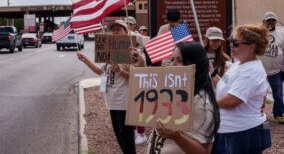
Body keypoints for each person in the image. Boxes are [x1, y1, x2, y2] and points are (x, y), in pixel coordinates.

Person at [147, 42, 220, 154]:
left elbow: (204, 151)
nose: (172, 65)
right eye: (172, 60)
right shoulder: (175, 92)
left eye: (180, 60)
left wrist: (177, 137)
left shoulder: (201, 104)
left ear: (196, 64)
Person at [77, 19, 136, 154]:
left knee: (127, 139)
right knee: (120, 137)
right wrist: (86, 60)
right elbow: (101, 72)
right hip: (112, 102)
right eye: (113, 29)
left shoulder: (131, 52)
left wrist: (120, 70)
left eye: (118, 29)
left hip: (124, 103)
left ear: (126, 32)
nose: (115, 31)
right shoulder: (109, 50)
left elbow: (136, 77)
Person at [211, 24, 271, 154]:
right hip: (235, 131)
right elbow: (226, 87)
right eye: (231, 41)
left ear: (251, 47)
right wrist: (212, 74)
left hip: (245, 133)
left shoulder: (250, 71)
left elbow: (233, 100)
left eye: (235, 42)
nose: (231, 45)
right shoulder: (238, 64)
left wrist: (209, 105)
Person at [124, 17, 148, 145]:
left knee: (139, 107)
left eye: (130, 24)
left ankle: (141, 132)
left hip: (139, 84)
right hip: (128, 85)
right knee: (131, 107)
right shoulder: (124, 53)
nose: (128, 25)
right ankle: (134, 130)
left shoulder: (139, 55)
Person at [260, 12, 284, 124]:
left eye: (273, 20)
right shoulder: (257, 33)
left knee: (278, 95)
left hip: (276, 71)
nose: (270, 22)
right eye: (268, 20)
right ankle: (257, 115)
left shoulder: (281, 33)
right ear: (263, 22)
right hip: (260, 72)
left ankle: (279, 114)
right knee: (258, 94)